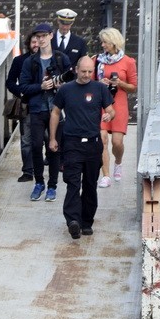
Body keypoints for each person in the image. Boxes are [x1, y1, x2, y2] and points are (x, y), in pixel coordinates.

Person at [49, 57, 116, 239]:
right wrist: (53, 138)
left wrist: (109, 115)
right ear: (76, 69)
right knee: (72, 183)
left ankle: (87, 222)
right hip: (72, 142)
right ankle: (73, 221)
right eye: (83, 71)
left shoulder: (100, 89)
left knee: (89, 185)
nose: (86, 75)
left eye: (90, 71)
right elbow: (55, 112)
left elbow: (111, 109)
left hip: (93, 144)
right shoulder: (66, 89)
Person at [19, 22, 72, 203]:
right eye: (38, 37)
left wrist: (61, 85)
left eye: (44, 36)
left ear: (51, 35)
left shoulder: (60, 58)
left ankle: (52, 186)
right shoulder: (30, 61)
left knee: (54, 147)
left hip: (56, 109)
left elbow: (71, 80)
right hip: (36, 109)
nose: (41, 40)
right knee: (35, 145)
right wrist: (40, 86)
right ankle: (39, 182)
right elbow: (23, 86)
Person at [95, 27, 138, 188]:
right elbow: (90, 82)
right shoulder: (98, 60)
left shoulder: (128, 61)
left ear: (113, 43)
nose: (103, 45)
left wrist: (119, 83)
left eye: (105, 42)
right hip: (102, 104)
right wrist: (100, 83)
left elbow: (133, 87)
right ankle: (105, 175)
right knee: (102, 139)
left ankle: (118, 163)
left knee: (117, 142)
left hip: (119, 102)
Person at [6, 31, 38, 182]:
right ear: (28, 44)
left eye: (39, 41)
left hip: (46, 104)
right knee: (26, 140)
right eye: (33, 42)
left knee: (47, 137)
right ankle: (27, 171)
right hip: (27, 104)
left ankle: (51, 166)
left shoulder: (51, 59)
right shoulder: (19, 61)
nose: (36, 45)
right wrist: (21, 91)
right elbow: (10, 82)